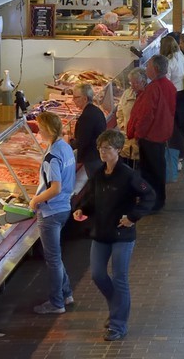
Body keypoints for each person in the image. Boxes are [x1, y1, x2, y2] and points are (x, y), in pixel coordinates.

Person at [71, 130, 155, 341]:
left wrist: (132, 217)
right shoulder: (99, 174)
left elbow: (149, 196)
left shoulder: (128, 175)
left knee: (120, 279)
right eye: (101, 148)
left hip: (122, 235)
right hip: (101, 232)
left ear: (118, 150)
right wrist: (82, 209)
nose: (103, 153)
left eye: (107, 149)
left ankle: (118, 325)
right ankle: (116, 307)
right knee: (98, 275)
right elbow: (91, 198)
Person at [30, 112, 77, 315]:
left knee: (53, 259)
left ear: (46, 130)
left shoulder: (51, 157)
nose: (38, 132)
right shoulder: (64, 147)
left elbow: (55, 187)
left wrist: (35, 200)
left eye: (40, 129)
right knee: (56, 256)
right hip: (65, 206)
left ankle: (56, 303)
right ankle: (66, 293)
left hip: (51, 211)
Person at [125, 55, 177, 212]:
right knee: (157, 170)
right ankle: (158, 200)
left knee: (151, 172)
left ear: (155, 69)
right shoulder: (168, 86)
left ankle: (153, 202)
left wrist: (138, 134)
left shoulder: (154, 88)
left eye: (148, 67)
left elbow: (147, 114)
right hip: (160, 135)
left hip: (151, 136)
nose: (146, 69)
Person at [159, 34, 184, 153]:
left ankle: (176, 145)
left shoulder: (168, 61)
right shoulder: (181, 56)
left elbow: (166, 80)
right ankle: (182, 140)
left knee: (175, 121)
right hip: (183, 91)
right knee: (181, 117)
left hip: (174, 93)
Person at [72, 82, 107, 177]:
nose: (73, 100)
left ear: (85, 99)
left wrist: (68, 141)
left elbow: (83, 141)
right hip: (98, 154)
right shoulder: (96, 110)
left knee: (96, 183)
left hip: (93, 158)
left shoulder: (86, 116)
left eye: (76, 97)